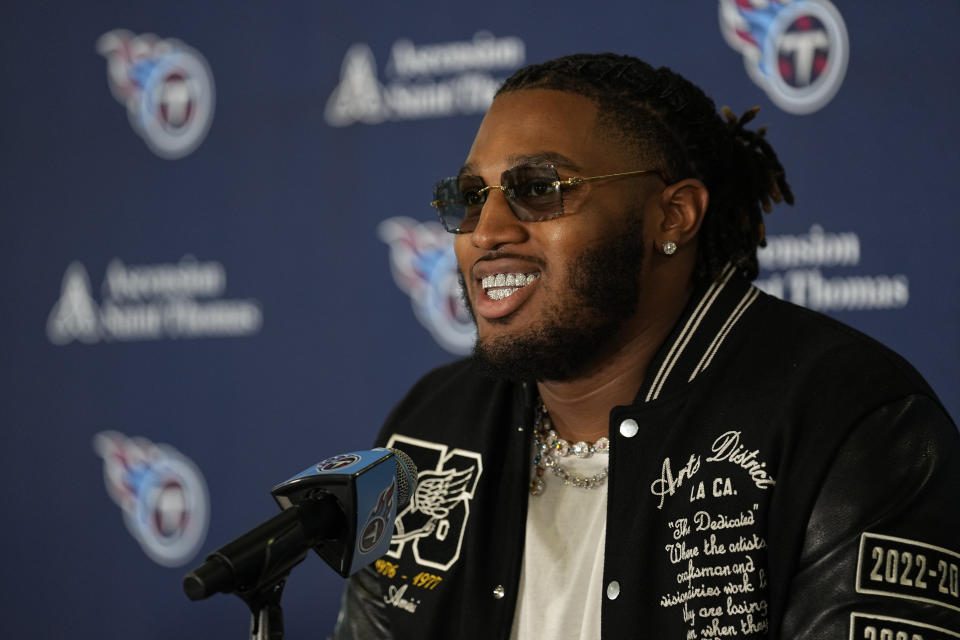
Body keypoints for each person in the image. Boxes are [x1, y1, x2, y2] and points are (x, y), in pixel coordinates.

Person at [332, 53, 960, 639]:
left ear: (673, 216)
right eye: (471, 197)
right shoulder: (432, 423)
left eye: (542, 186)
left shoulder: (851, 421)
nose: (488, 231)